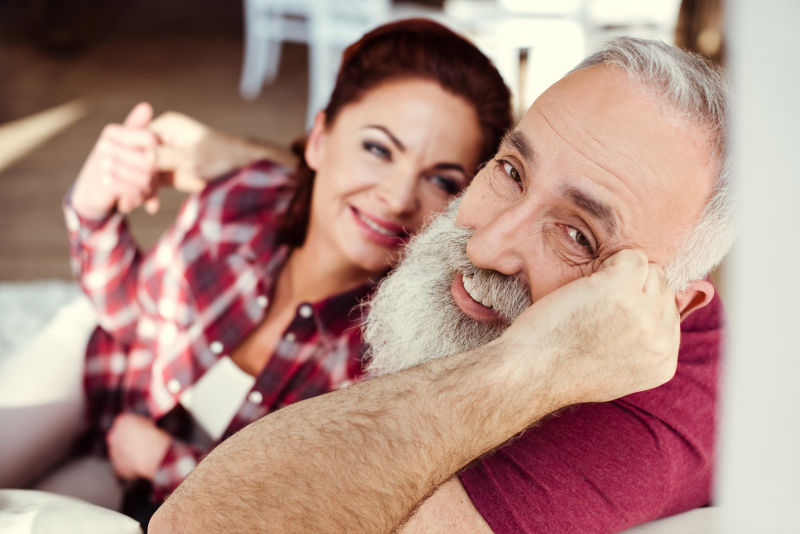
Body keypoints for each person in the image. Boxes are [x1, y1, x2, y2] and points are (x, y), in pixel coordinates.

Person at [150, 36, 732, 533]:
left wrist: (530, 364)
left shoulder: (632, 438)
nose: (485, 246)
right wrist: (279, 165)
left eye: (577, 237)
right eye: (510, 171)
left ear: (674, 308)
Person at [53, 18, 513, 514]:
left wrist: (163, 459)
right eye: (378, 149)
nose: (398, 198)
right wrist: (93, 212)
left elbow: (296, 510)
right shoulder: (243, 201)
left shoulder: (398, 356)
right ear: (318, 139)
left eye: (442, 182)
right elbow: (134, 315)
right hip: (109, 410)